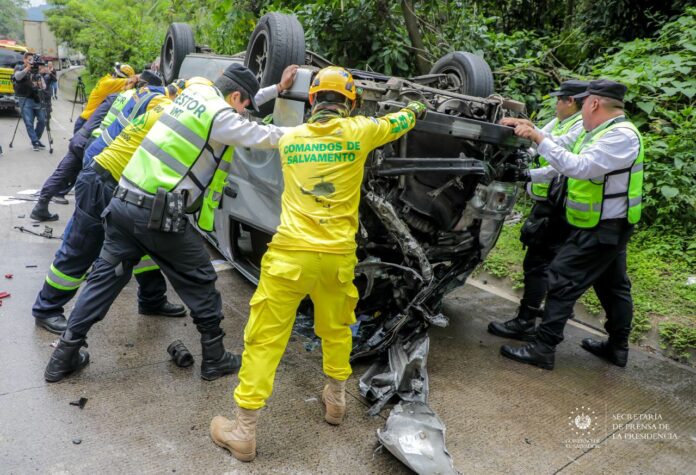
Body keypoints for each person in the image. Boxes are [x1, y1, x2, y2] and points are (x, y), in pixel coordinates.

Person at [209, 66, 427, 462]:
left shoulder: (291, 138)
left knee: (264, 339)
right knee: (337, 329)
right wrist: (416, 107)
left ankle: (244, 430)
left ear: (313, 101)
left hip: (289, 257)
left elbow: (252, 131)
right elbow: (403, 120)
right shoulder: (361, 132)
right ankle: (336, 400)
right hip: (337, 258)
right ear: (350, 102)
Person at [43, 63, 299, 384]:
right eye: (245, 105)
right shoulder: (221, 117)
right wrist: (316, 131)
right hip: (157, 214)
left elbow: (236, 105)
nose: (245, 112)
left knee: (102, 283)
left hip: (122, 202)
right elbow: (265, 134)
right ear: (235, 96)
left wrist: (274, 88)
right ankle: (215, 358)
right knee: (201, 278)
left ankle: (62, 356)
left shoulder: (193, 94)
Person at [500, 79, 643, 370]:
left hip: (604, 228)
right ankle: (617, 348)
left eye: (585, 103)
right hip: (606, 224)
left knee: (562, 278)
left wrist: (539, 139)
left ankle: (543, 348)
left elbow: (579, 167)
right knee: (613, 286)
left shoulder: (622, 136)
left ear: (593, 104)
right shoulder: (599, 132)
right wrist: (529, 165)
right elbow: (561, 164)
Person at [32, 78, 186, 335]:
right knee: (82, 246)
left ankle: (152, 299)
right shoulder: (162, 107)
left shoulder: (146, 95)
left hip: (118, 179)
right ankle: (47, 308)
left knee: (144, 245)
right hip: (103, 179)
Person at [488, 80, 587, 341]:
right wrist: (524, 127)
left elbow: (558, 156)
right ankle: (549, 311)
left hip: (557, 206)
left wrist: (526, 174)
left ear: (571, 102)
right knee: (549, 263)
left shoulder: (580, 126)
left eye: (559, 100)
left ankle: (525, 321)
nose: (556, 104)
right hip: (549, 203)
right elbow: (541, 136)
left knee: (537, 263)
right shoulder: (562, 121)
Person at [73, 63, 137, 133]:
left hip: (86, 120)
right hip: (87, 123)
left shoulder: (107, 80)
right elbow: (133, 80)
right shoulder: (110, 84)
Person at [12, 52, 47, 151]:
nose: (31, 61)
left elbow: (44, 86)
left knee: (42, 120)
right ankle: (35, 141)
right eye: (29, 59)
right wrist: (27, 68)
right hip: (24, 99)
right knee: (29, 122)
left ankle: (36, 139)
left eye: (32, 60)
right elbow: (17, 77)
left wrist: (39, 83)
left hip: (36, 98)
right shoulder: (19, 67)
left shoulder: (36, 70)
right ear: (25, 60)